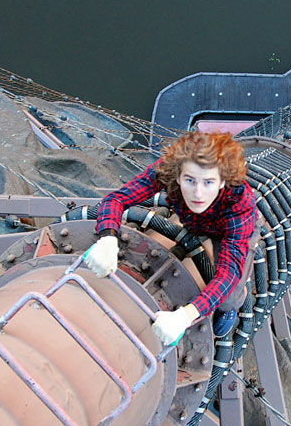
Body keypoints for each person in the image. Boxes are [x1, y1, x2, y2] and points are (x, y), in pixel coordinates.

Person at [83, 131, 257, 346]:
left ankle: (231, 308)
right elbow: (117, 199)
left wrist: (185, 316)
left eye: (208, 182)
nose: (198, 194)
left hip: (225, 229)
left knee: (229, 297)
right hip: (191, 219)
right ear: (178, 176)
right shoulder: (166, 170)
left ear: (222, 182)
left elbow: (228, 273)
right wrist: (107, 237)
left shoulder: (240, 202)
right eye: (190, 180)